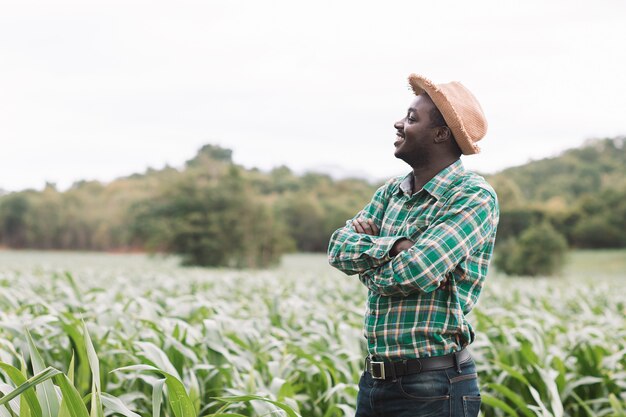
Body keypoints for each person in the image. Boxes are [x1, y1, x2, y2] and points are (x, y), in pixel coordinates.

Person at [327, 74, 499, 417]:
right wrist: (394, 248)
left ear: (440, 134)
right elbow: (337, 247)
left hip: (434, 386)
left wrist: (369, 260)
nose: (398, 123)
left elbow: (416, 272)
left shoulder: (472, 197)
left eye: (411, 118)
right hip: (374, 381)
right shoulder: (391, 192)